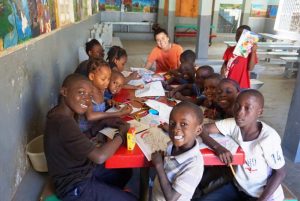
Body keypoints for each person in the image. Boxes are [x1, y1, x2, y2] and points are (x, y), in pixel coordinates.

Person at [44, 73, 137, 201]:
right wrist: (121, 134)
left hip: (81, 171)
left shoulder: (61, 113)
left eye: (89, 96)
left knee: (124, 172)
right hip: (73, 187)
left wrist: (101, 125)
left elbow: (77, 139)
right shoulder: (63, 123)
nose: (87, 100)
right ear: (64, 91)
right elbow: (100, 157)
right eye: (81, 93)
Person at [198, 89, 286, 201]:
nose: (240, 112)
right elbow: (201, 129)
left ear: (259, 112)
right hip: (239, 188)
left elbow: (280, 173)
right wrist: (218, 147)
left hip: (263, 196)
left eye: (247, 108)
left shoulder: (268, 139)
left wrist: (262, 199)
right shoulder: (234, 124)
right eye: (237, 106)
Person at [151, 101, 204, 201]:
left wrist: (159, 166)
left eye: (184, 124)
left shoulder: (194, 165)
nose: (176, 129)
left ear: (198, 130)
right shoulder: (173, 144)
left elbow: (171, 198)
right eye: (172, 123)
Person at [79, 59, 132, 134]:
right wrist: (118, 113)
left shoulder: (101, 89)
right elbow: (90, 116)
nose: (107, 82)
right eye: (103, 79)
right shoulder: (87, 93)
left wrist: (107, 100)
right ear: (91, 76)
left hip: (99, 127)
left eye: (108, 79)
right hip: (87, 133)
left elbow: (99, 101)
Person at [221, 25, 258, 89]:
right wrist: (222, 71)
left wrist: (253, 52)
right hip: (229, 83)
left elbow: (250, 68)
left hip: (243, 85)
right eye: (237, 35)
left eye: (242, 36)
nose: (239, 37)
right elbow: (225, 64)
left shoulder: (250, 52)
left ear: (248, 37)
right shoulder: (229, 50)